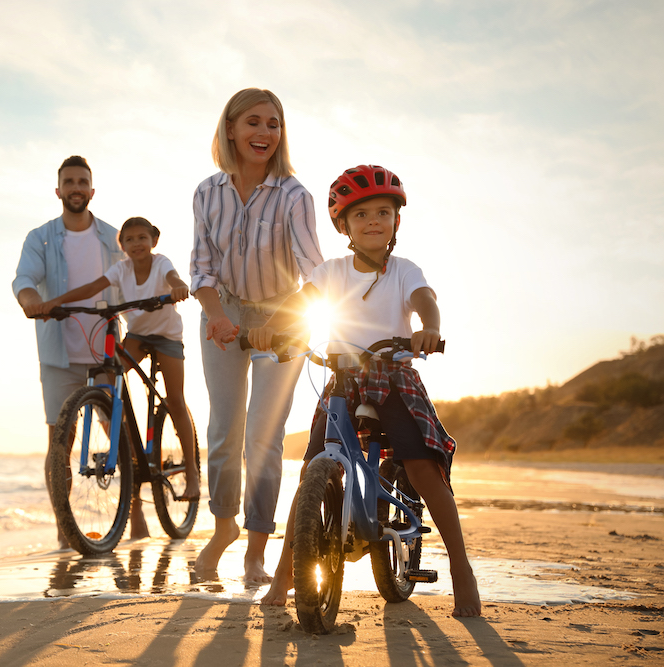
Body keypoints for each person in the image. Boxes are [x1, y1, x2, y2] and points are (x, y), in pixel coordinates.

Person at [246, 164, 482, 617]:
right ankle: (284, 572)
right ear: (344, 226)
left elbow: (423, 299)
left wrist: (429, 328)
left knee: (421, 466)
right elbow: (300, 303)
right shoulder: (331, 271)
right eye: (360, 215)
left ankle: (460, 567)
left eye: (382, 212)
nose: (373, 221)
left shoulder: (404, 270)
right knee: (314, 467)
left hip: (393, 377)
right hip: (343, 379)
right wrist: (271, 328)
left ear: (396, 221)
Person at [190, 88, 324, 583]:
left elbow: (315, 274)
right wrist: (215, 315)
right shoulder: (206, 192)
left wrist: (276, 323)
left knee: (263, 437)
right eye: (253, 122)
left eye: (273, 124)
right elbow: (201, 266)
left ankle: (255, 551)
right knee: (225, 431)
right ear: (230, 129)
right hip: (220, 307)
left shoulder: (295, 195)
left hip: (285, 312)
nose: (264, 132)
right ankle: (223, 529)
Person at [13, 156, 149, 546]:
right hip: (59, 352)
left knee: (118, 433)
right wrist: (30, 301)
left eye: (82, 182)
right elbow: (25, 279)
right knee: (61, 442)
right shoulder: (39, 238)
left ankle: (135, 514)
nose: (75, 188)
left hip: (106, 346)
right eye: (68, 182)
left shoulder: (112, 237)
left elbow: (135, 280)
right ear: (58, 191)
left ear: (92, 191)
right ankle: (64, 528)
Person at [35, 216, 200, 502]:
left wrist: (178, 288)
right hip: (137, 337)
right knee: (109, 377)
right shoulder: (120, 269)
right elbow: (91, 288)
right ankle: (129, 449)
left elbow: (174, 279)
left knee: (175, 399)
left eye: (142, 238)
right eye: (130, 239)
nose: (136, 243)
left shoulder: (161, 263)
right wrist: (56, 303)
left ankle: (194, 475)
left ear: (154, 241)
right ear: (121, 245)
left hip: (167, 337)